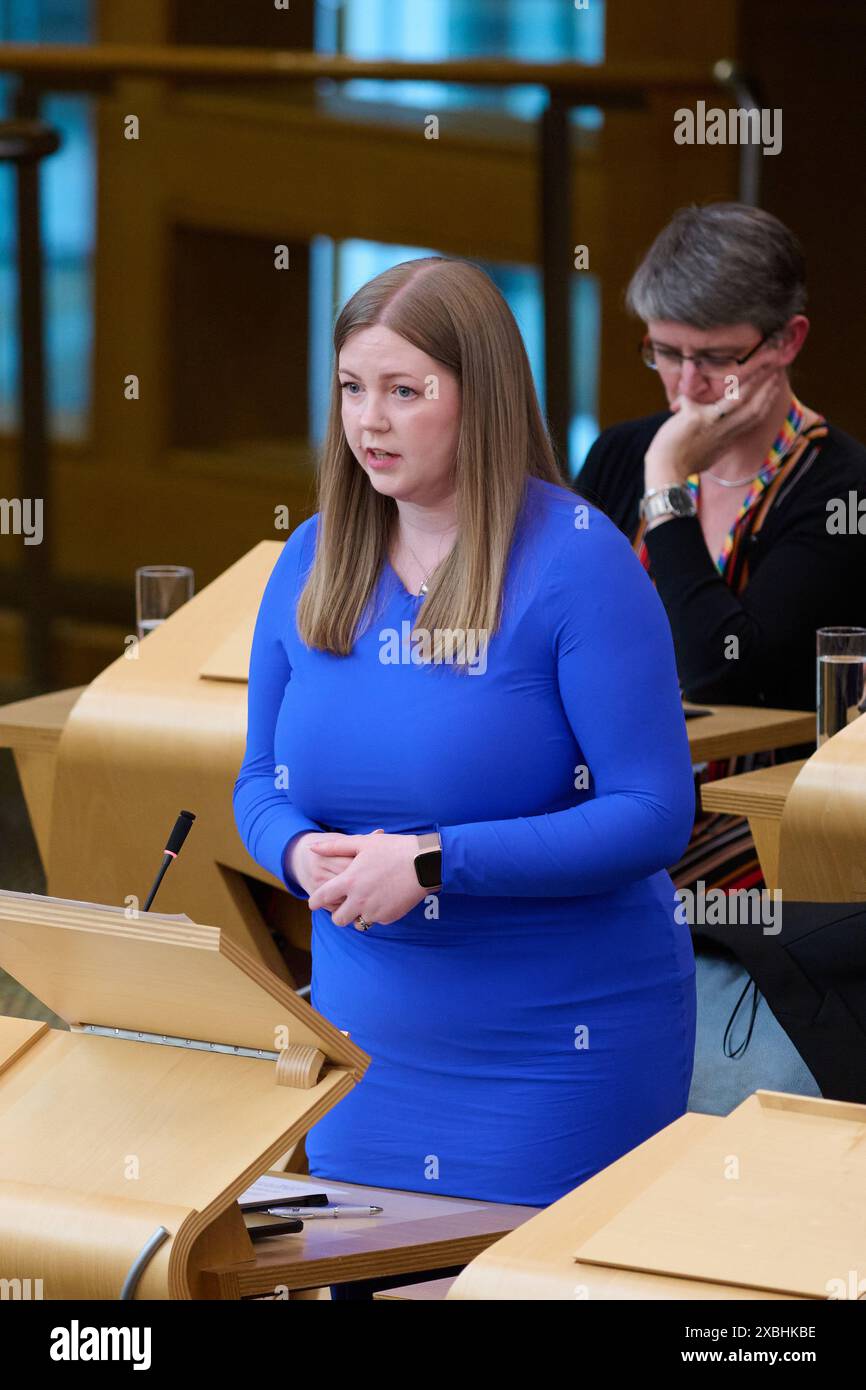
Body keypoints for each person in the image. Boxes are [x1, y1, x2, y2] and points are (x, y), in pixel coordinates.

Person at [233, 254, 697, 1238]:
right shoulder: (312, 555)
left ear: (476, 397)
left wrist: (436, 858)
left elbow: (654, 813)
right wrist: (288, 846)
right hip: (372, 1051)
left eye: (405, 391)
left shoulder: (578, 558)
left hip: (555, 1045)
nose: (369, 419)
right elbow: (258, 783)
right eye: (353, 388)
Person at [576, 203, 866, 1114]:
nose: (686, 385)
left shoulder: (838, 491)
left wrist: (668, 493)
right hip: (614, 791)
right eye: (665, 351)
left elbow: (724, 664)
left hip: (756, 833)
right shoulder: (621, 453)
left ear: (788, 342)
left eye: (716, 357)